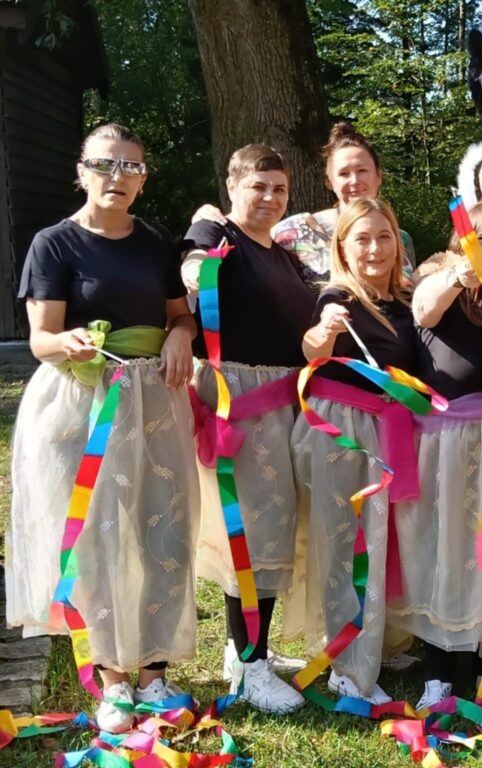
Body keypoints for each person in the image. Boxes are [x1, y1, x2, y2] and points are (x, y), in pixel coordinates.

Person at [6, 123, 199, 732]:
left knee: (163, 530)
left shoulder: (155, 241)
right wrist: (67, 342)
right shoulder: (54, 243)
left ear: (143, 180)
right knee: (93, 541)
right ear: (82, 172)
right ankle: (113, 682)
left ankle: (155, 674)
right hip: (79, 405)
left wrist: (180, 336)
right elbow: (40, 339)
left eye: (131, 167)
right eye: (105, 164)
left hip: (154, 402)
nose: (118, 176)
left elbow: (180, 318)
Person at [181, 143, 313, 715]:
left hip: (285, 403)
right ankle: (251, 666)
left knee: (274, 531)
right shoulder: (218, 235)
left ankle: (246, 650)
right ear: (232, 185)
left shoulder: (284, 256)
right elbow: (194, 264)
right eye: (258, 186)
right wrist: (197, 262)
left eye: (279, 188)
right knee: (250, 534)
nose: (269, 197)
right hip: (241, 402)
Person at [388, 202, 482, 713]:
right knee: (445, 551)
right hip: (448, 442)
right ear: (475, 243)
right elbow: (423, 308)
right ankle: (440, 671)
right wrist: (460, 272)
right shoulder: (442, 283)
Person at [287, 197, 418, 705]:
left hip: (391, 430)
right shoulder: (338, 297)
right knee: (347, 544)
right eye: (362, 238)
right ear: (342, 246)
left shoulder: (404, 300)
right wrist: (325, 331)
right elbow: (313, 346)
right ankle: (348, 666)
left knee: (384, 542)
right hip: (342, 432)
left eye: (384, 236)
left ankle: (379, 641)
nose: (375, 248)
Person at [193, 122, 415, 286]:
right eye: (344, 173)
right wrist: (208, 223)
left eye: (362, 170)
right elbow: (251, 243)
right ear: (330, 181)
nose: (354, 181)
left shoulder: (400, 238)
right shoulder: (297, 231)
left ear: (379, 176)